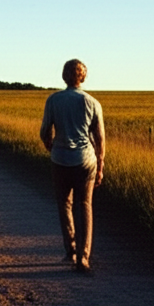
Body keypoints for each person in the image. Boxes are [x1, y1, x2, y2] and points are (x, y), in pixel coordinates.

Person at [40, 59, 105, 273]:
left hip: (60, 158)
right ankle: (83, 259)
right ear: (83, 77)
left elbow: (44, 131)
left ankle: (71, 250)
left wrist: (51, 145)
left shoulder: (53, 100)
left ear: (64, 76)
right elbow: (100, 138)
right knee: (85, 205)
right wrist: (101, 164)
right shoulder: (92, 102)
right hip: (86, 160)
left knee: (64, 204)